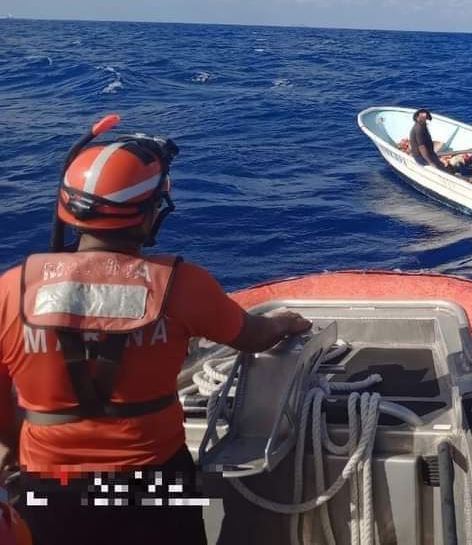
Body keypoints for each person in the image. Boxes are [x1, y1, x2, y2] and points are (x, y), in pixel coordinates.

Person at [0, 117, 312, 545]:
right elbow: (253, 336)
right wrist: (287, 323)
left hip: (50, 481)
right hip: (154, 476)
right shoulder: (185, 286)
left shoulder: (9, 290)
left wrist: (17, 447)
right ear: (149, 215)